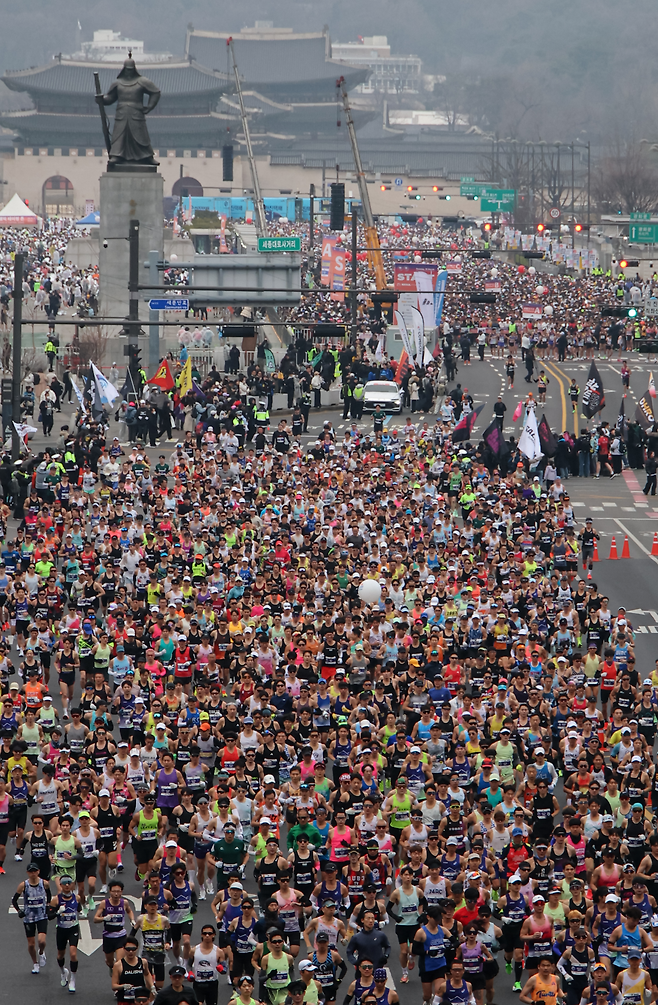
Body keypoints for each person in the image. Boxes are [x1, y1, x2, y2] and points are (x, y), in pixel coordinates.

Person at [13, 860, 50, 974]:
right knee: (31, 943)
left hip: (41, 915)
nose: (33, 873)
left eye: (35, 871)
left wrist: (48, 907)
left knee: (42, 941)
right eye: (31, 871)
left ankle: (41, 952)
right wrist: (19, 911)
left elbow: (49, 895)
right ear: (27, 873)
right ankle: (35, 963)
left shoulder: (44, 883)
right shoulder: (23, 885)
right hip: (29, 917)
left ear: (38, 872)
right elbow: (14, 900)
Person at [50, 872, 81, 992]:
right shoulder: (55, 900)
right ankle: (63, 972)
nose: (67, 885)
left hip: (73, 928)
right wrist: (58, 911)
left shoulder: (76, 898)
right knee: (60, 955)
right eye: (64, 883)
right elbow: (49, 916)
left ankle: (73, 979)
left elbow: (78, 908)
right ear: (61, 885)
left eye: (69, 883)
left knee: (73, 954)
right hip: (61, 929)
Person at [111, 935, 154, 1002]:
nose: (131, 952)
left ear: (137, 948)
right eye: (128, 949)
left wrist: (152, 986)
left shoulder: (143, 962)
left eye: (133, 949)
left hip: (140, 1000)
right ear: (124, 949)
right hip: (125, 1000)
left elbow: (147, 974)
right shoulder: (118, 965)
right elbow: (114, 986)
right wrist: (123, 986)